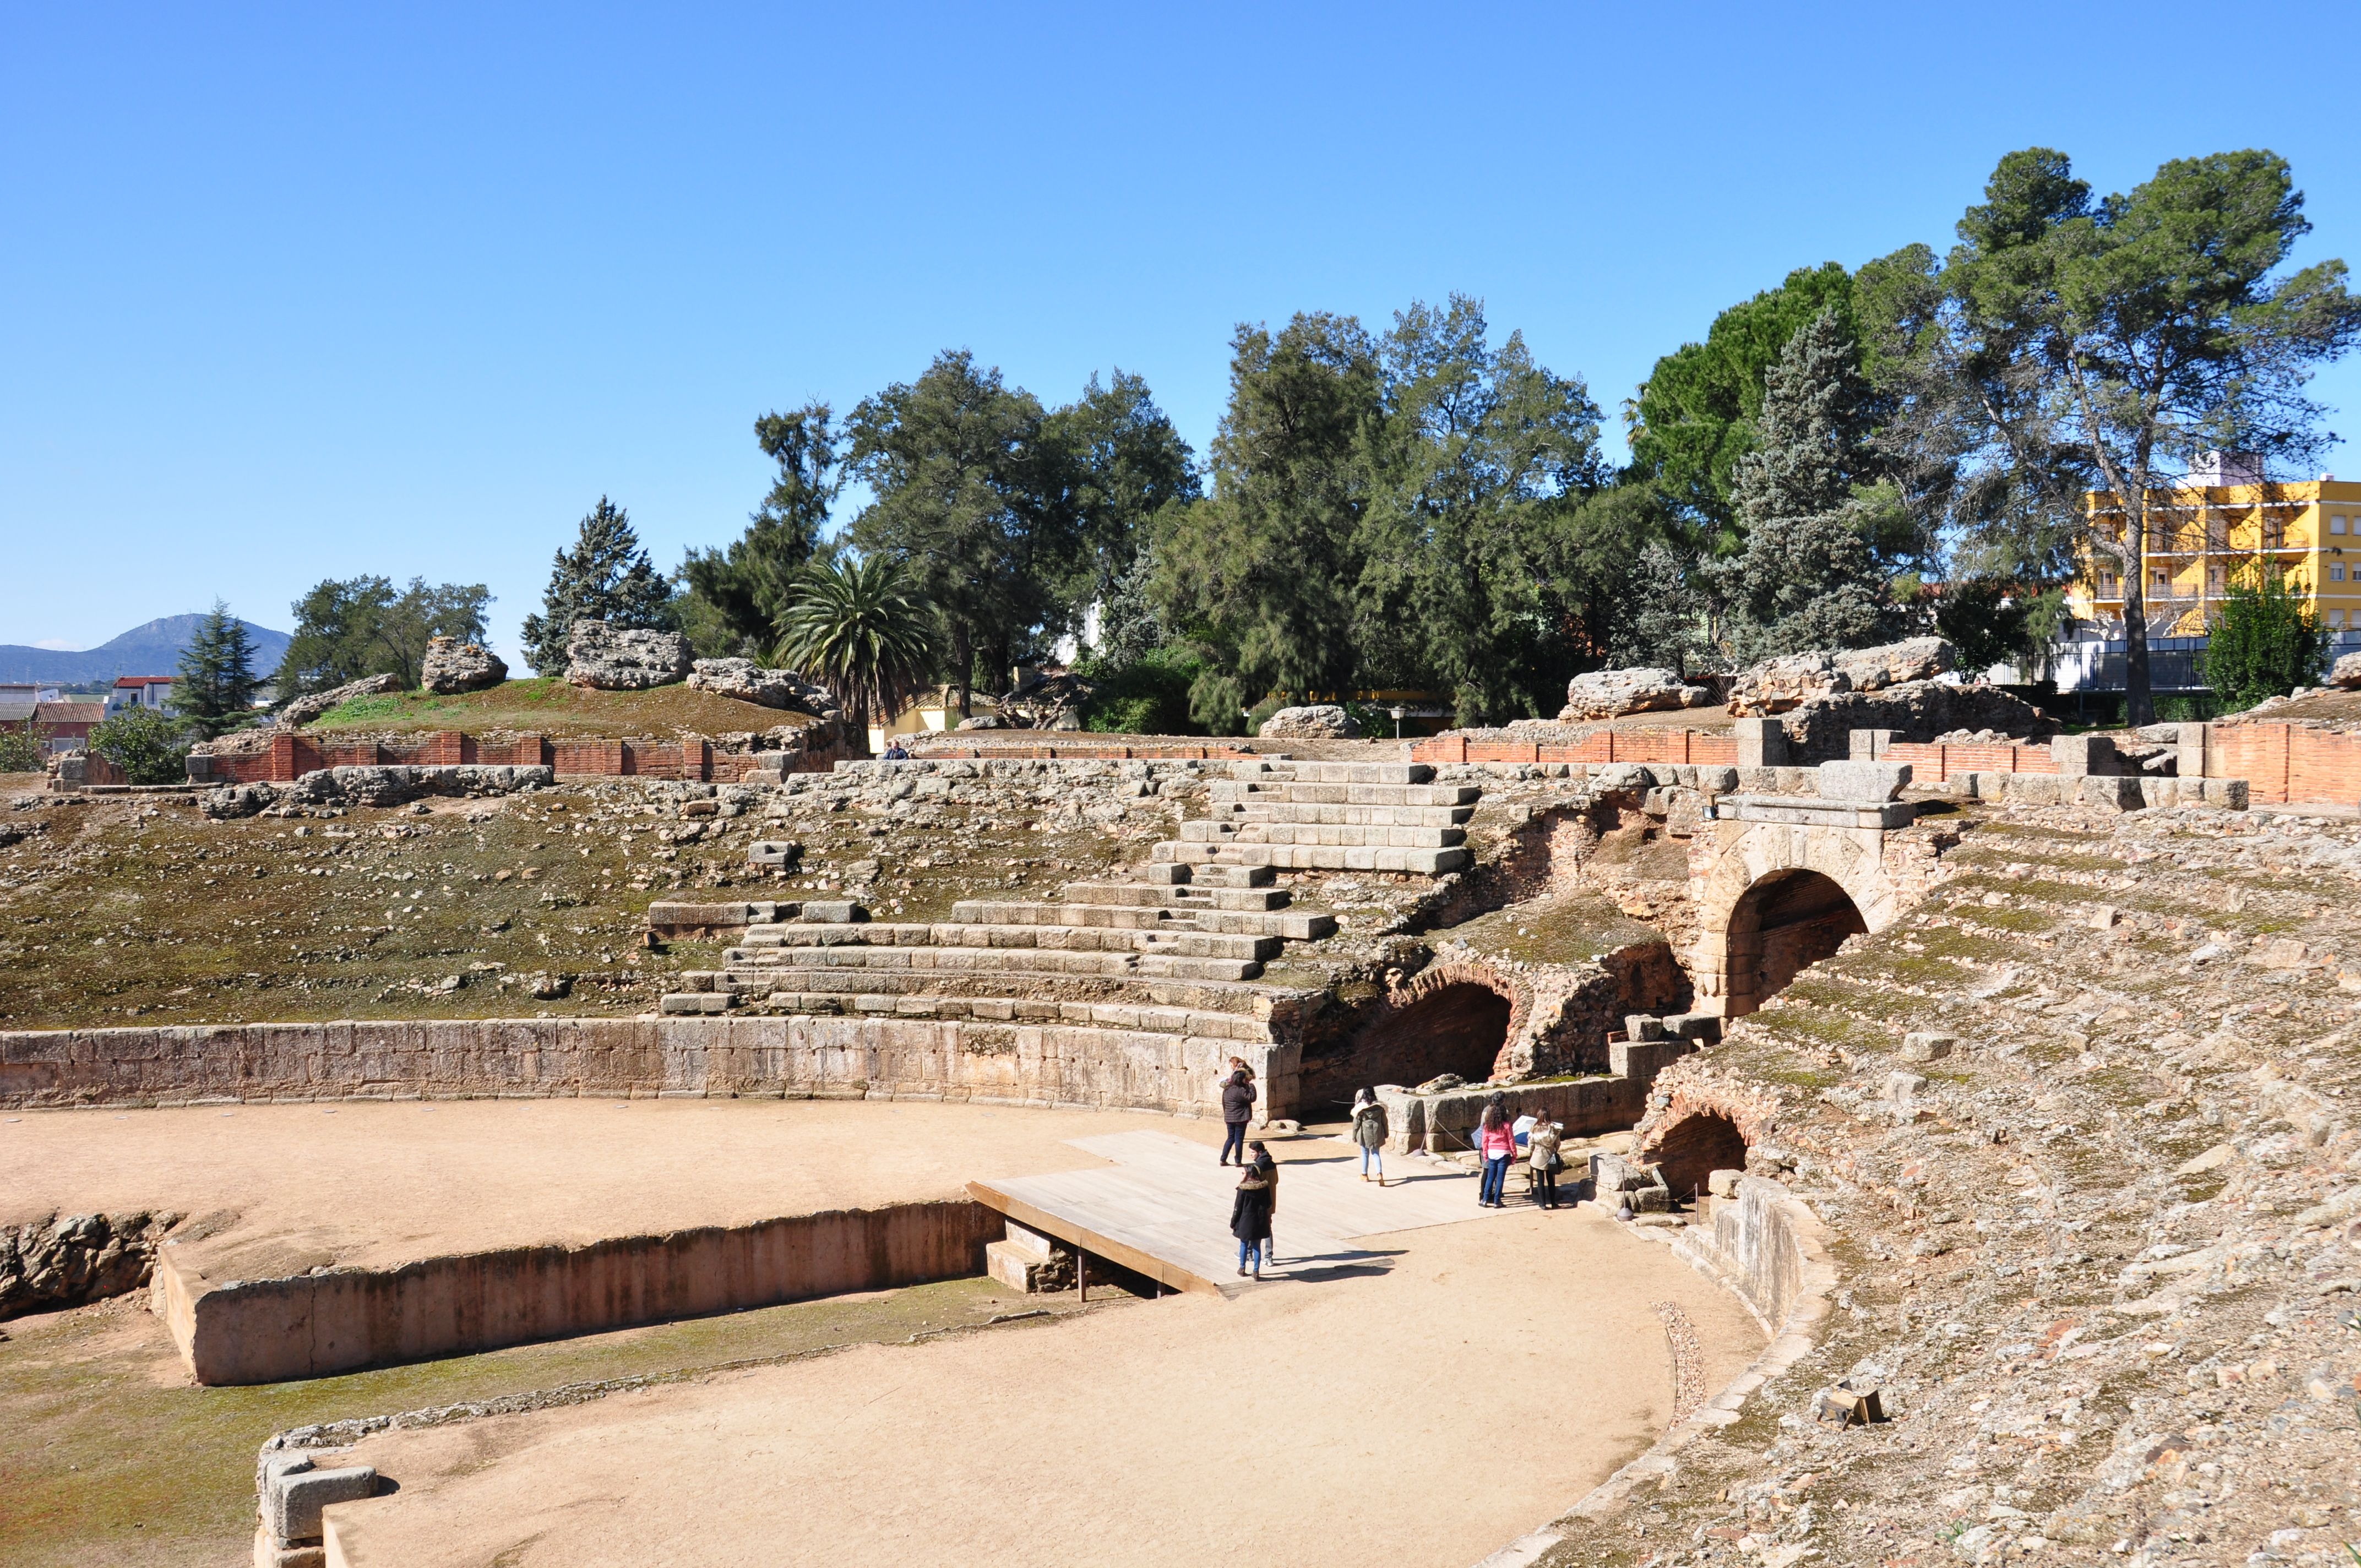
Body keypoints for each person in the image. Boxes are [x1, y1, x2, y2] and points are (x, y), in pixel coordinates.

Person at [1230, 1163, 1273, 1279]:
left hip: (1245, 1221)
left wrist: (1233, 1221)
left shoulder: (1243, 1188)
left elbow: (1237, 1207)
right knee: (1257, 1246)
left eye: (1243, 1173)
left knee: (1244, 1244)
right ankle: (1256, 1271)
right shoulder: (1264, 1187)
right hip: (1260, 1220)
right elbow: (1269, 1204)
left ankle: (1242, 1268)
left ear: (1248, 1174)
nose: (1242, 1175)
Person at [1475, 1103, 1516, 1208]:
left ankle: (1484, 1200)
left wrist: (1485, 1154)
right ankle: (1497, 1201)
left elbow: (1485, 1142)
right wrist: (1514, 1155)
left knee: (1490, 1177)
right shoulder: (1507, 1126)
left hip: (1492, 1154)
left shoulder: (1487, 1126)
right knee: (1500, 1178)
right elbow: (1511, 1141)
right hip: (1504, 1154)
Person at [1350, 1087, 1389, 1185]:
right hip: (1377, 1134)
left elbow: (1356, 1124)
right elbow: (1385, 1122)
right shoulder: (1380, 1108)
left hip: (1365, 1135)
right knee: (1376, 1154)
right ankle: (1379, 1173)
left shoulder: (1361, 1109)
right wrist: (1386, 1133)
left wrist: (1354, 1136)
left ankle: (1364, 1175)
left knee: (1365, 1154)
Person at [1218, 1066, 1255, 1165]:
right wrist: (1251, 1086)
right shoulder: (1241, 1090)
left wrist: (1227, 1114)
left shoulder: (1227, 1090)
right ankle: (1238, 1161)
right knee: (1239, 1139)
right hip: (1241, 1118)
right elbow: (1252, 1098)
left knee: (1230, 1138)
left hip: (1229, 1118)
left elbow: (1224, 1104)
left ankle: (1223, 1159)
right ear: (1241, 1079)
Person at [1248, 1140, 1279, 1260]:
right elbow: (1276, 1181)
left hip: (1259, 1203)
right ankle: (1269, 1256)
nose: (1251, 1155)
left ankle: (1249, 1253)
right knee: (1268, 1228)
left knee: (1252, 1227)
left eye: (1252, 1152)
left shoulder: (1257, 1167)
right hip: (1271, 1203)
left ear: (1259, 1152)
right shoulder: (1272, 1164)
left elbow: (1253, 1186)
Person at [1526, 1114, 1564, 1208]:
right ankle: (1553, 1203)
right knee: (1551, 1181)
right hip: (1550, 1156)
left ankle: (1543, 1204)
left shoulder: (1535, 1128)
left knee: (1540, 1181)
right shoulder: (1553, 1128)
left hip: (1538, 1155)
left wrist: (1532, 1151)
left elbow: (1531, 1144)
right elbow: (1558, 1144)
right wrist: (1554, 1150)